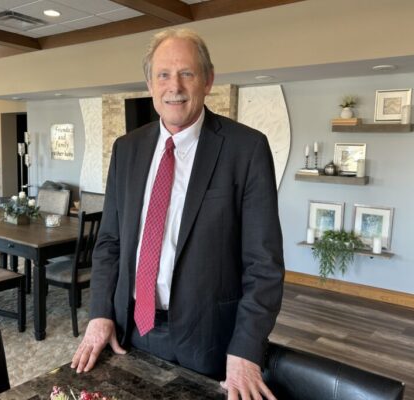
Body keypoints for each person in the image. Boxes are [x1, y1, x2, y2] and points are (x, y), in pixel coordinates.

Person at [71, 28, 284, 400]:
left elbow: (263, 264)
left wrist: (246, 349)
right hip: (129, 329)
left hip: (208, 339)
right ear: (150, 84)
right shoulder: (127, 149)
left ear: (208, 80)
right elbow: (109, 243)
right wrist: (100, 313)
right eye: (164, 75)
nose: (175, 86)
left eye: (187, 73)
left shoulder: (246, 149)